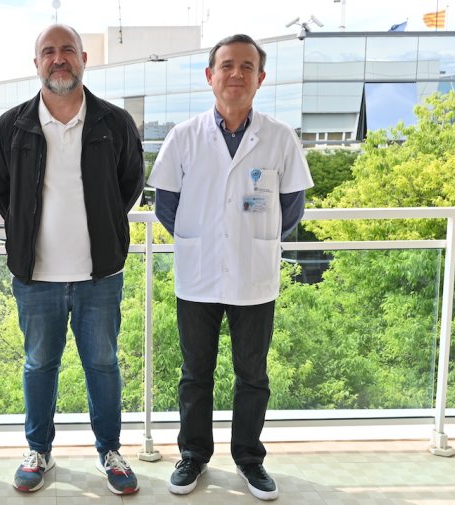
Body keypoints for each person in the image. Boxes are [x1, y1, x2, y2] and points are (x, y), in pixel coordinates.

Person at [148, 34, 313, 501]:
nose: (235, 74)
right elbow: (166, 205)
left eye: (246, 67)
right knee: (195, 373)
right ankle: (194, 456)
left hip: (254, 274)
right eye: (226, 66)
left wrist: (250, 241)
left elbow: (292, 206)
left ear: (261, 78)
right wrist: (204, 239)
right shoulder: (184, 137)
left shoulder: (280, 137)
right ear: (209, 76)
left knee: (252, 374)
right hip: (198, 274)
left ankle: (249, 459)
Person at [0, 24, 144, 496]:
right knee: (39, 365)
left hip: (100, 275)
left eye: (68, 51)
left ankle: (111, 452)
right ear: (36, 63)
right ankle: (38, 451)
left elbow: (129, 186)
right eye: (49, 52)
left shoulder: (114, 122)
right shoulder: (13, 125)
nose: (59, 59)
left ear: (83, 59)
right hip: (36, 277)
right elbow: (0, 188)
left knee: (103, 364)